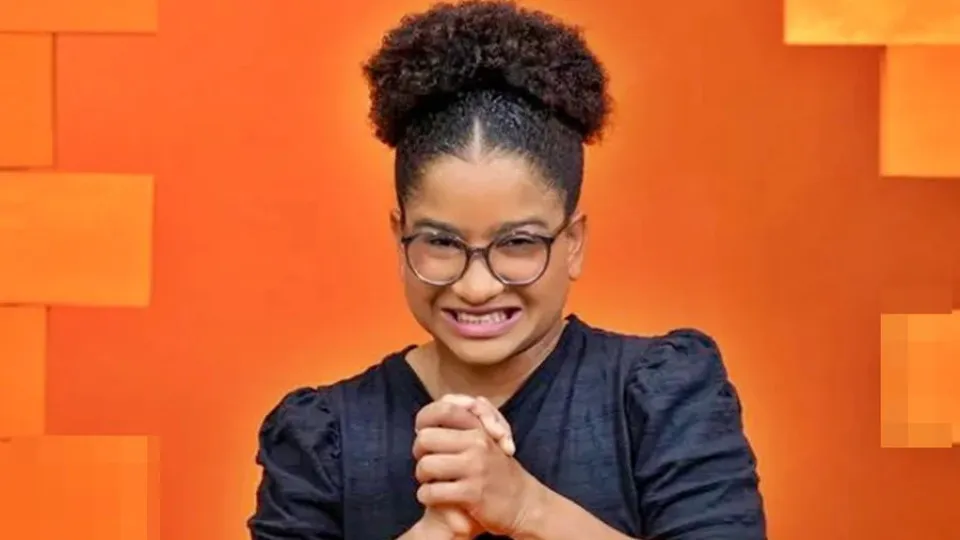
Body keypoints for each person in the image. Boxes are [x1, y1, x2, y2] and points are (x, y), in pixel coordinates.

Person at [248, 1, 767, 539]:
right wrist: (436, 530)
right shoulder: (323, 440)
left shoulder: (659, 398)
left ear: (573, 242)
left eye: (518, 243)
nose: (477, 287)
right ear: (399, 240)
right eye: (441, 242)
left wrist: (525, 508)